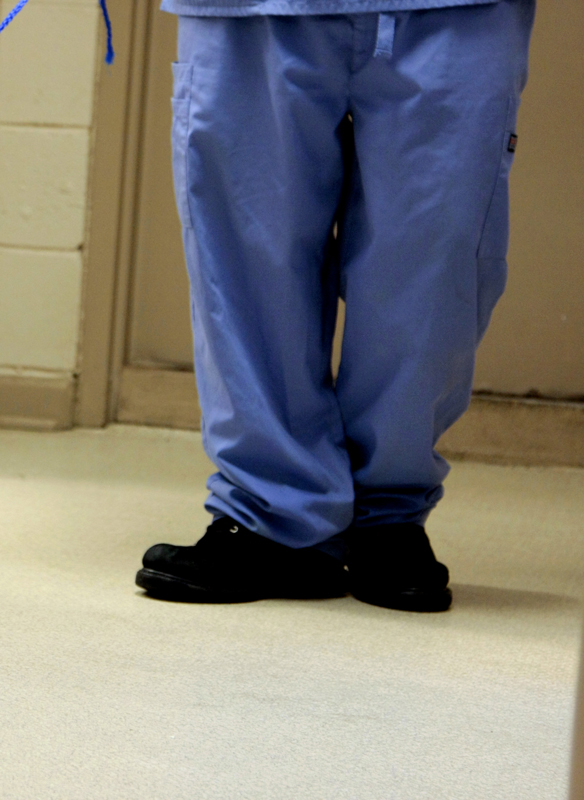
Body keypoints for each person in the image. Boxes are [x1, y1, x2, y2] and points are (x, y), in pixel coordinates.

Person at [135, 0, 536, 612]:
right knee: (245, 260)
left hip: (461, 8)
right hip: (246, 9)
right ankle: (272, 514)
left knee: (433, 266)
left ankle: (388, 517)